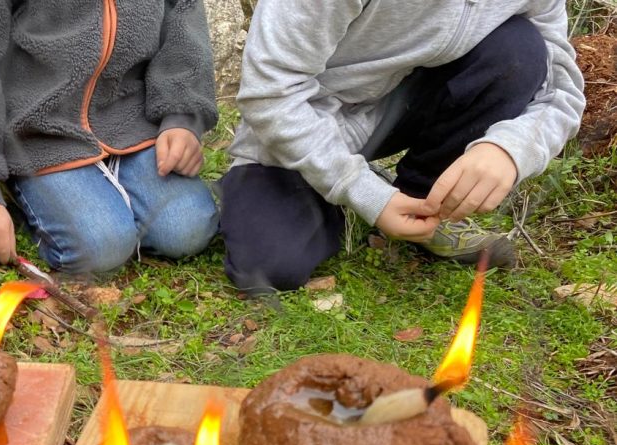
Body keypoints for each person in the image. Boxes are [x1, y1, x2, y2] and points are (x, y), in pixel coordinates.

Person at [220, 0, 586, 294]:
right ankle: (351, 196)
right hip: (308, 117)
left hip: (407, 103)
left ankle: (421, 206)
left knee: (518, 51)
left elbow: (561, 89)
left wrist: (509, 150)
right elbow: (269, 92)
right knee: (269, 266)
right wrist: (361, 191)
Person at [0, 0, 220, 274]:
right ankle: (18, 192)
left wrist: (181, 116)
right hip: (36, 134)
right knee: (100, 248)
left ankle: (109, 185)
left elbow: (183, 19)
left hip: (132, 121)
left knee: (187, 231)